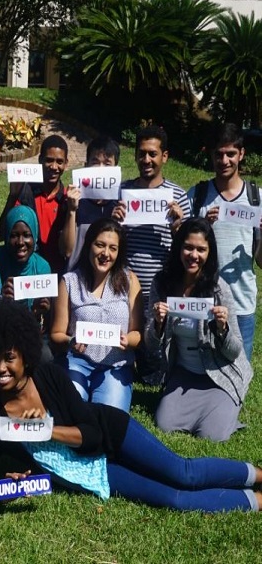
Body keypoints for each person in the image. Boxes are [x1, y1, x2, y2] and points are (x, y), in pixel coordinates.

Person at [0, 298, 262, 513]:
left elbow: (91, 433)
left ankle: (258, 474)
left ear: (25, 355)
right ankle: (256, 501)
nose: (0, 368)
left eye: (9, 358)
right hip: (94, 471)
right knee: (175, 499)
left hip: (111, 433)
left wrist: (47, 430)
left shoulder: (48, 376)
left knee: (183, 473)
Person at [146, 217, 251, 442]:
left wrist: (222, 329)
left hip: (218, 374)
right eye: (188, 247)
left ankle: (229, 402)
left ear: (209, 253)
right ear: (178, 247)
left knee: (213, 436)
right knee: (164, 424)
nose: (194, 255)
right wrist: (157, 323)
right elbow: (151, 344)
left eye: (201, 249)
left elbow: (234, 351)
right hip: (183, 374)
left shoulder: (218, 287)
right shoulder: (162, 283)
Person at [112, 125, 191, 384]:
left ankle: (155, 369)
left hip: (162, 285)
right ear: (135, 155)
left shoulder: (177, 196)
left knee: (156, 351)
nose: (146, 160)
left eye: (153, 154)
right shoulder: (122, 193)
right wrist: (115, 222)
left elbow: (189, 251)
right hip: (125, 285)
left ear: (164, 156)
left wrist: (178, 226)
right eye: (142, 153)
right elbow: (109, 241)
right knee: (126, 337)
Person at [50, 219, 142, 412]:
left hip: (116, 366)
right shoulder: (69, 282)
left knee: (109, 417)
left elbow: (137, 333)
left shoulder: (130, 280)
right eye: (99, 245)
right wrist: (70, 341)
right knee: (69, 410)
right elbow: (56, 333)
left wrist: (128, 340)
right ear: (89, 245)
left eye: (112, 248)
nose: (105, 254)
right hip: (78, 362)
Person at [188, 124, 262, 361]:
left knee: (240, 373)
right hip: (203, 302)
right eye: (218, 154)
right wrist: (202, 225)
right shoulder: (196, 195)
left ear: (241, 154)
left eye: (230, 153)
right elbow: (184, 250)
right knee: (201, 370)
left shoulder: (257, 198)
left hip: (242, 304)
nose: (224, 160)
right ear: (211, 155)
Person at [0, 134, 73, 273]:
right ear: (40, 160)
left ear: (66, 163)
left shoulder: (68, 200)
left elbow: (68, 250)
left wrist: (71, 210)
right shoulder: (26, 193)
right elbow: (1, 235)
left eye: (59, 162)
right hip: (28, 273)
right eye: (49, 160)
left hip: (57, 273)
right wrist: (12, 197)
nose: (54, 167)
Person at [66, 135, 121, 270]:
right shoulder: (75, 199)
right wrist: (71, 211)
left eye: (107, 163)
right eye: (95, 162)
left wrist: (116, 223)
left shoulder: (120, 205)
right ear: (86, 166)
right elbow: (67, 251)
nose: (100, 169)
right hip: (76, 277)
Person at [0, 206, 51, 328]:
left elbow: (42, 324)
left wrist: (39, 311)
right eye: (14, 235)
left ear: (34, 236)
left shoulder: (42, 267)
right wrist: (0, 299)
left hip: (29, 331)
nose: (20, 242)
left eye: (26, 235)